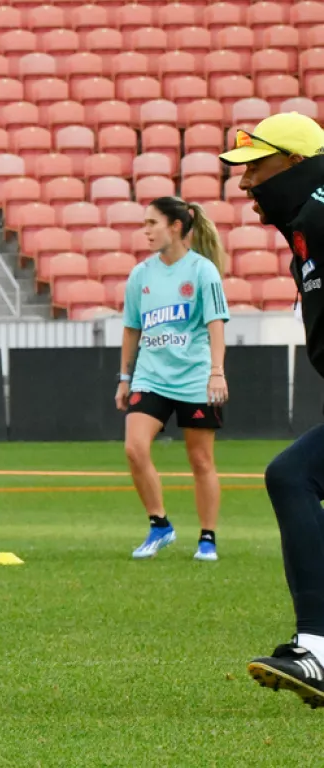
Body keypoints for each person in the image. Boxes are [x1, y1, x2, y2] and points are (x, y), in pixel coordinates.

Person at [219, 112, 324, 707]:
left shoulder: (320, 213)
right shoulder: (308, 225)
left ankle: (317, 647)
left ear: (294, 164)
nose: (245, 184)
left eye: (255, 167)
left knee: (293, 474)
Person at [116, 196, 230, 562]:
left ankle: (207, 538)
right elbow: (132, 328)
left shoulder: (202, 271)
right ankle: (159, 524)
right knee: (135, 448)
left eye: (152, 223)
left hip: (194, 378)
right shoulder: (141, 274)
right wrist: (124, 378)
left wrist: (217, 373)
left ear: (176, 226)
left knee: (200, 460)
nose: (145, 231)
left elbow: (216, 326)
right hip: (151, 376)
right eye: (144, 224)